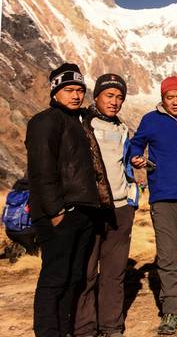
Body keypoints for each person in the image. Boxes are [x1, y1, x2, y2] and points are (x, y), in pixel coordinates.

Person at [26, 63, 100, 337]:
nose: (76, 95)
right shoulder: (45, 122)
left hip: (82, 212)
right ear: (55, 91)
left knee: (74, 277)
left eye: (80, 90)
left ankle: (64, 330)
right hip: (59, 214)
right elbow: (41, 171)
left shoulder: (78, 122)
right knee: (55, 278)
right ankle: (47, 332)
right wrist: (57, 211)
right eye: (69, 89)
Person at [129, 75, 177, 335]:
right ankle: (171, 312)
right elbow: (135, 144)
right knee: (167, 259)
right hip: (162, 199)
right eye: (169, 97)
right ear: (163, 99)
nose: (175, 102)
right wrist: (136, 157)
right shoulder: (151, 120)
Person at [74, 74, 140, 337]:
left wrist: (132, 198)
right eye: (109, 96)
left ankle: (111, 325)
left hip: (121, 208)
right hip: (91, 208)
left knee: (114, 272)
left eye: (120, 97)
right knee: (87, 271)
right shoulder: (81, 123)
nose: (115, 102)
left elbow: (124, 166)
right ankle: (85, 328)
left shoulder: (122, 128)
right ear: (97, 96)